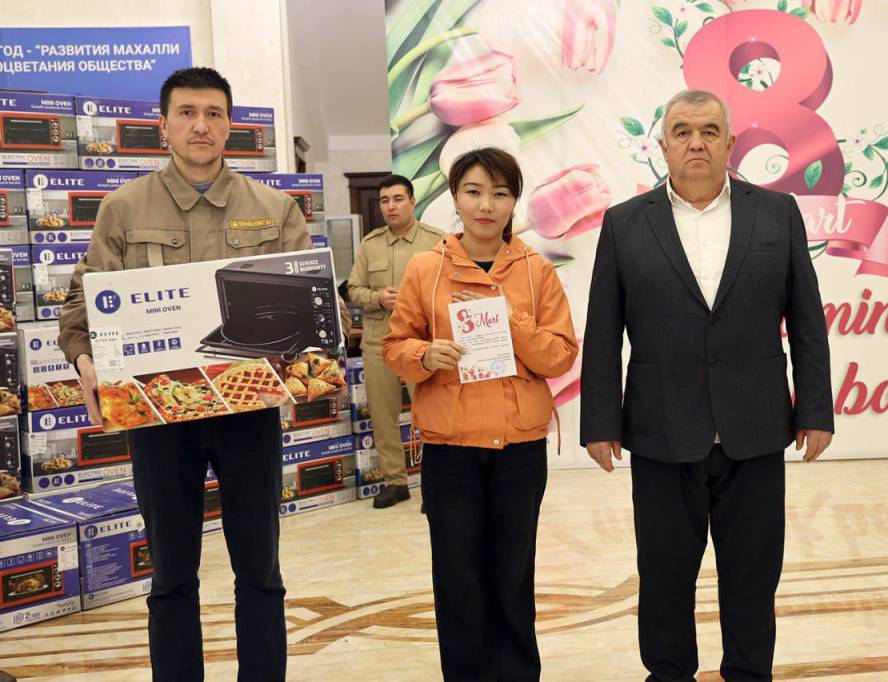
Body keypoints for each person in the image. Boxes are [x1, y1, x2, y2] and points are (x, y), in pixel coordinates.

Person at [58, 67, 349, 682]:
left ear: (230, 125)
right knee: (170, 575)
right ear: (163, 125)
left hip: (250, 412)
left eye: (213, 113)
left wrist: (324, 340)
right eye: (187, 113)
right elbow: (81, 305)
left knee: (260, 571)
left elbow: (319, 305)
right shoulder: (122, 208)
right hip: (158, 415)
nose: (200, 125)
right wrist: (85, 362)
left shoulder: (274, 209)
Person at [580, 89, 835, 681]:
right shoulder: (624, 223)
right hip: (661, 429)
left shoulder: (777, 213)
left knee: (753, 576)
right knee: (664, 576)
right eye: (683, 131)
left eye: (709, 131)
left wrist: (814, 409)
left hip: (756, 427)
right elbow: (603, 330)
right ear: (663, 145)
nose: (696, 142)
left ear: (730, 143)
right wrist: (600, 423)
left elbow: (806, 319)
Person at [382, 147, 577, 680]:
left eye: (499, 193)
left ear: (514, 201)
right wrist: (425, 355)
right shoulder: (426, 269)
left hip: (519, 451)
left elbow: (560, 355)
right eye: (473, 192)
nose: (486, 205)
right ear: (455, 197)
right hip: (451, 451)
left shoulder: (536, 271)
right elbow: (395, 346)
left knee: (513, 576)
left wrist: (513, 321)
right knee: (458, 579)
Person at [347, 174, 445, 508]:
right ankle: (395, 482)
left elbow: (451, 285)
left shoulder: (437, 241)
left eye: (398, 199)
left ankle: (435, 485)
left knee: (431, 416)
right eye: (385, 200)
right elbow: (353, 289)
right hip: (379, 343)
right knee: (383, 417)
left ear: (413, 202)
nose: (391, 206)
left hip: (423, 345)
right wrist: (378, 298)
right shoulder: (370, 244)